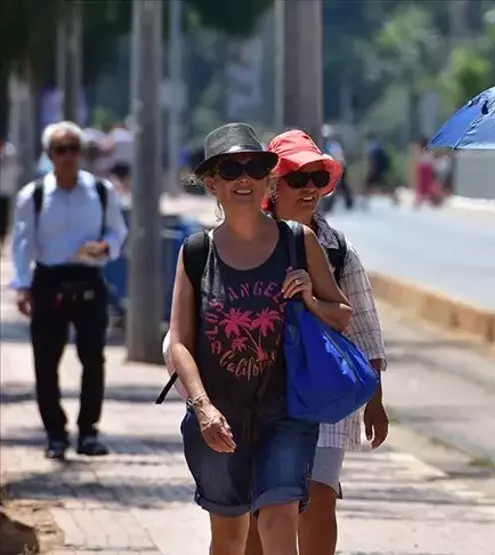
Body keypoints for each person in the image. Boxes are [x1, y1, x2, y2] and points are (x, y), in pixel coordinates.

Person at [166, 122, 353, 554]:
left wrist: (309, 297)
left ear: (269, 177)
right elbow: (179, 342)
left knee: (278, 517)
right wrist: (203, 408)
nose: (244, 179)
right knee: (230, 537)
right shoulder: (197, 252)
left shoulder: (298, 241)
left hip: (285, 412)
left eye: (254, 168)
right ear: (212, 183)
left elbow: (342, 316)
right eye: (231, 171)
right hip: (220, 416)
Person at [241, 129, 389, 555]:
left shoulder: (338, 250)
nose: (309, 190)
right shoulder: (245, 242)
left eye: (317, 179)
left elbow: (362, 329)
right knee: (262, 506)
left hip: (323, 393)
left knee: (319, 497)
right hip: (261, 392)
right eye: (297, 179)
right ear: (272, 185)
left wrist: (375, 402)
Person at [9, 121, 129, 459]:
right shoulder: (33, 196)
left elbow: (118, 232)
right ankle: (55, 435)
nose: (69, 157)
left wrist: (106, 246)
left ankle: (88, 432)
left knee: (93, 359)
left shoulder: (101, 191)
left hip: (89, 280)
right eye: (61, 150)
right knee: (46, 362)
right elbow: (21, 244)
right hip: (49, 282)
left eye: (74, 148)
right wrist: (21, 286)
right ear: (50, 155)